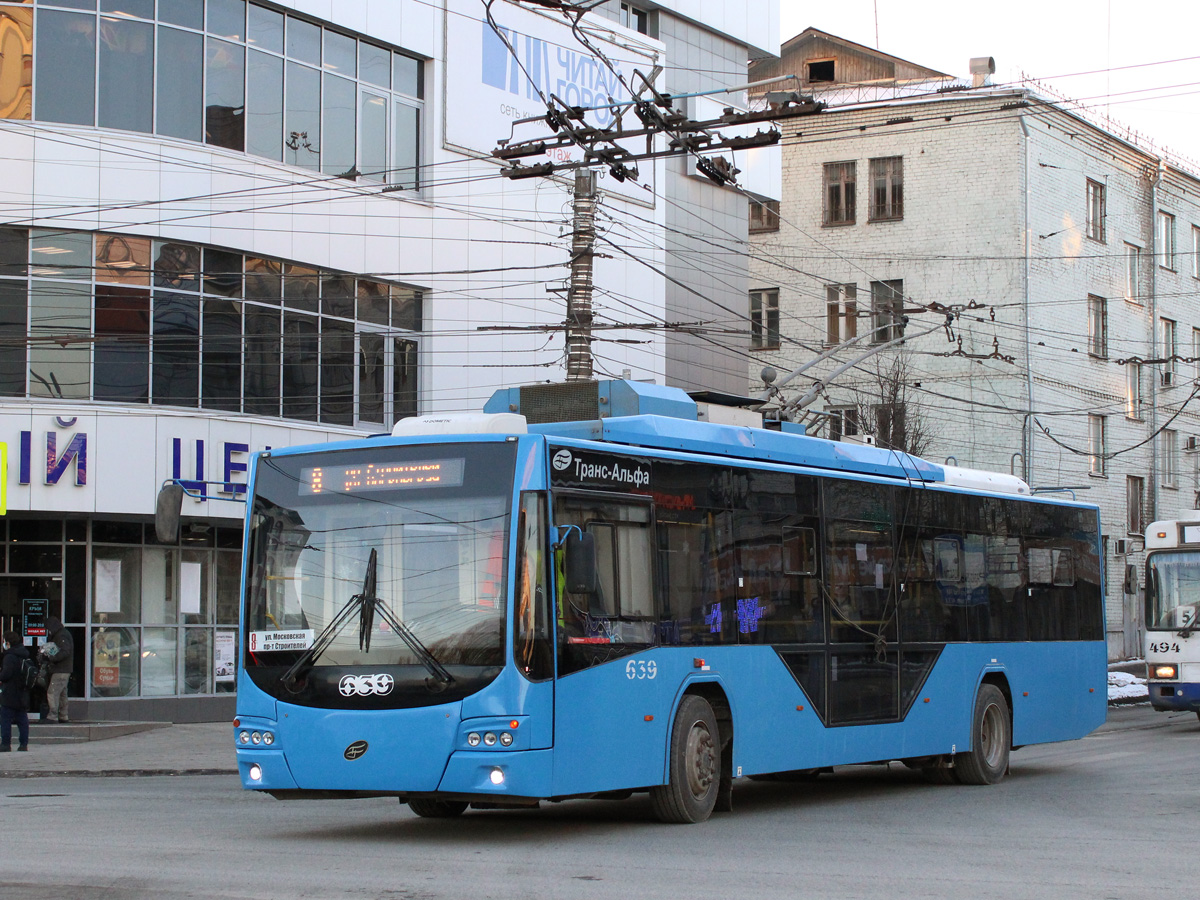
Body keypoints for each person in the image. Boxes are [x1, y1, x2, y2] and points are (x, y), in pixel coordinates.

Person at [0, 630, 31, 751]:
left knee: (5, 719)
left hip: (10, 692)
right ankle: (23, 744)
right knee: (22, 719)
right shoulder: (24, 654)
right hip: (22, 692)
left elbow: (6, 674)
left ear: (8, 643)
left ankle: (5, 744)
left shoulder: (9, 656)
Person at [41, 617, 73, 723]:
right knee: (62, 693)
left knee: (52, 692)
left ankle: (52, 716)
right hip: (64, 669)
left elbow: (65, 651)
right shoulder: (63, 634)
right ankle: (63, 715)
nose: (48, 631)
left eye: (48, 628)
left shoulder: (61, 635)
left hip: (60, 669)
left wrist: (51, 657)